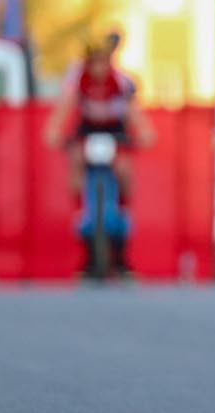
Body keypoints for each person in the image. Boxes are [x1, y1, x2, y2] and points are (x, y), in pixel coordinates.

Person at [43, 34, 150, 278]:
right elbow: (63, 110)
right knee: (76, 160)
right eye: (94, 63)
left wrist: (144, 134)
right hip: (88, 131)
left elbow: (138, 117)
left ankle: (121, 220)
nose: (99, 68)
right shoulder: (78, 80)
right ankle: (83, 212)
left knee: (124, 169)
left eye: (103, 63)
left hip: (115, 132)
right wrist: (53, 132)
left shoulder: (121, 82)